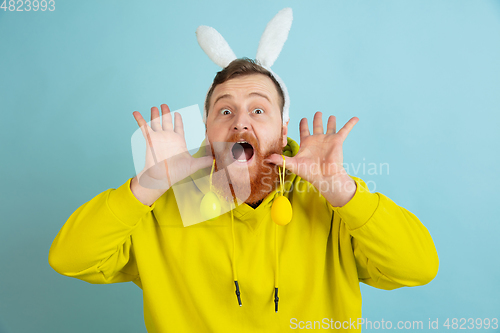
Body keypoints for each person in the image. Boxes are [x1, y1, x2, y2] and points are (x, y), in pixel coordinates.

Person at [49, 9, 438, 333]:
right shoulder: (165, 203)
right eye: (224, 110)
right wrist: (147, 186)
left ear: (283, 128)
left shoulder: (332, 200)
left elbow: (417, 268)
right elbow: (70, 258)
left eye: (258, 109)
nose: (240, 122)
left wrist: (342, 192)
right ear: (207, 129)